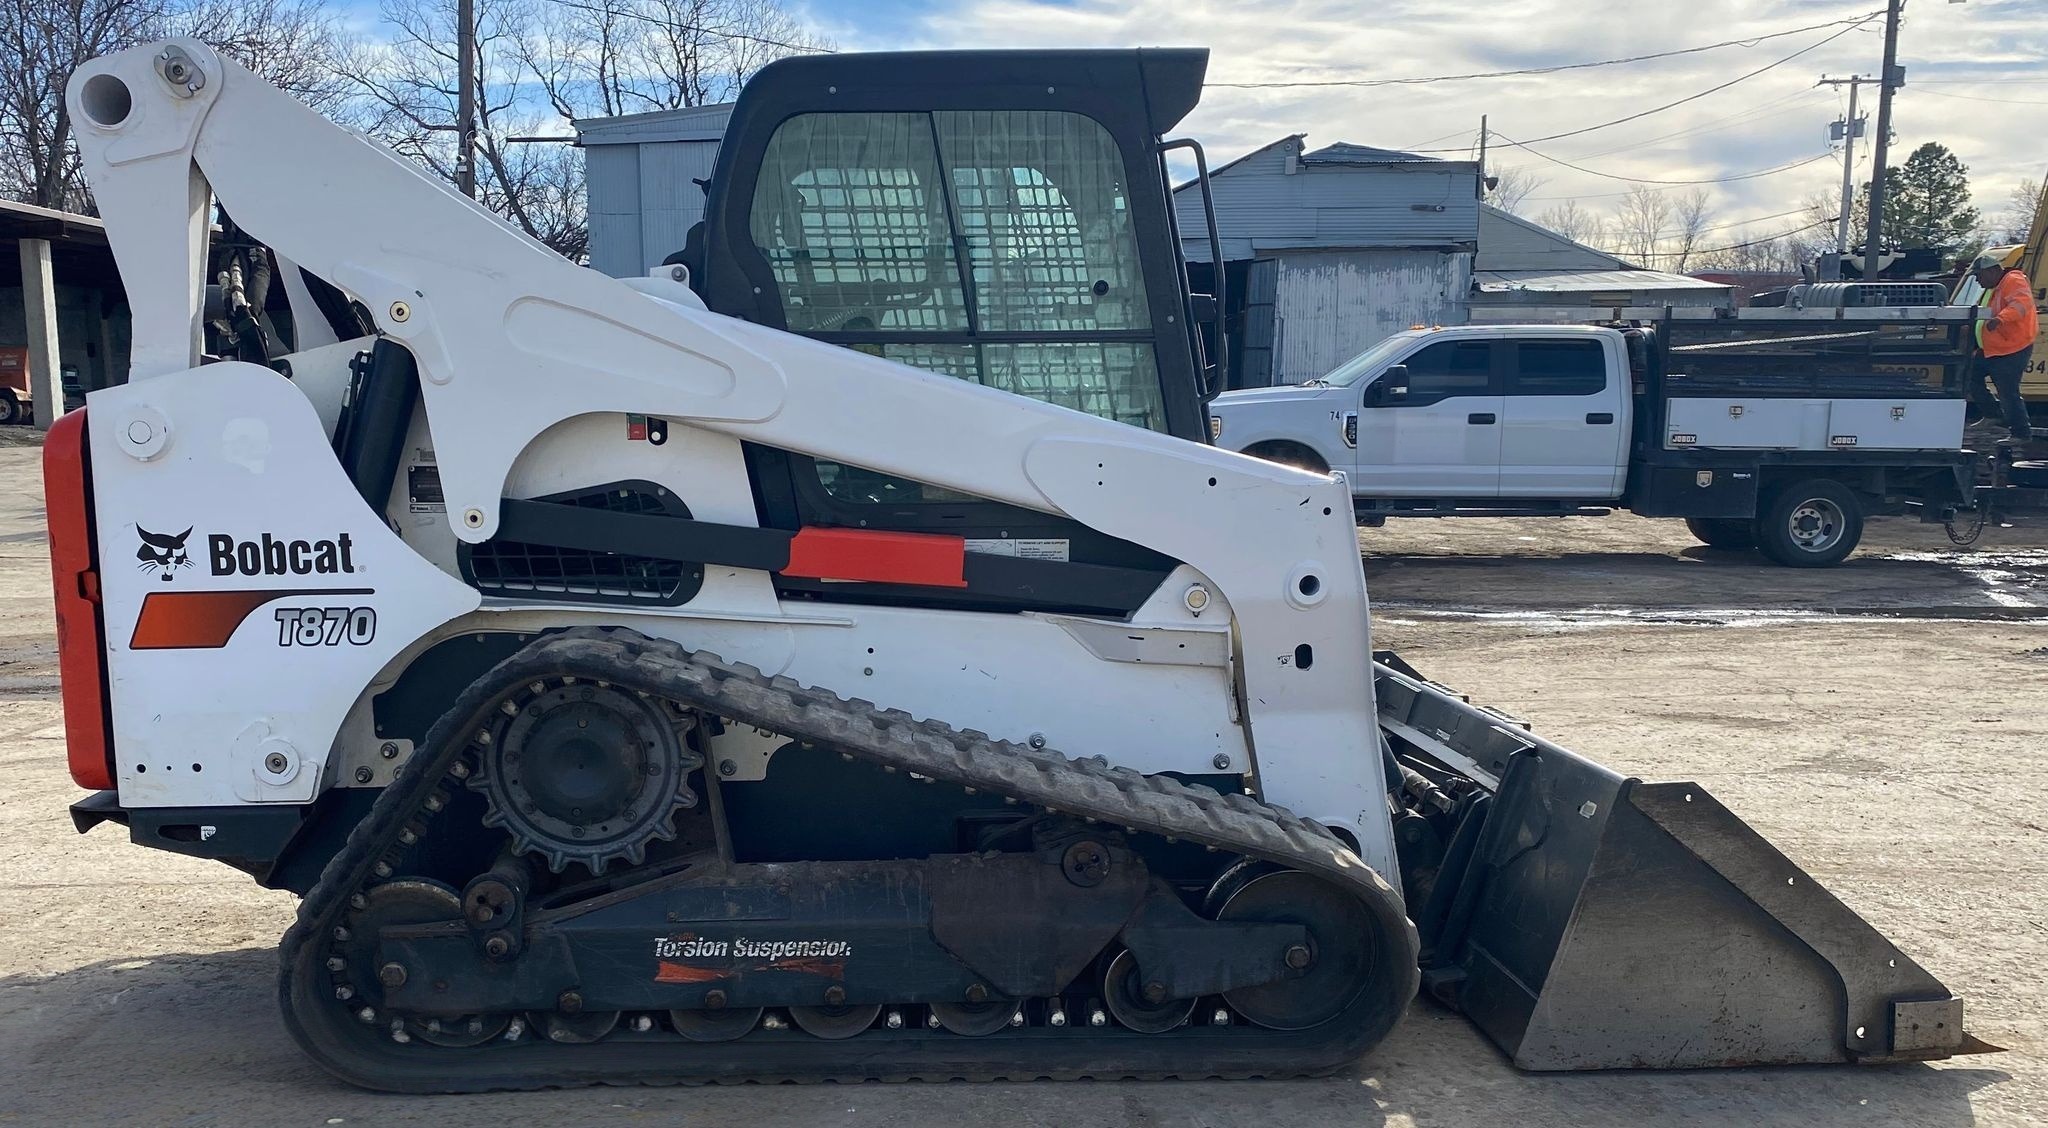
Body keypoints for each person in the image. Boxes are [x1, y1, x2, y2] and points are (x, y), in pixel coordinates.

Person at [1971, 252, 2038, 443]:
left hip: (2012, 348)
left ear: (1992, 271)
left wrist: (2000, 319)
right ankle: (1992, 414)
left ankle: (2021, 434)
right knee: (1968, 374)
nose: (1977, 280)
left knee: (2007, 390)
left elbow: (2021, 304)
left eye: (1979, 276)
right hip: (1993, 349)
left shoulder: (2014, 280)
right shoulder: (1993, 287)